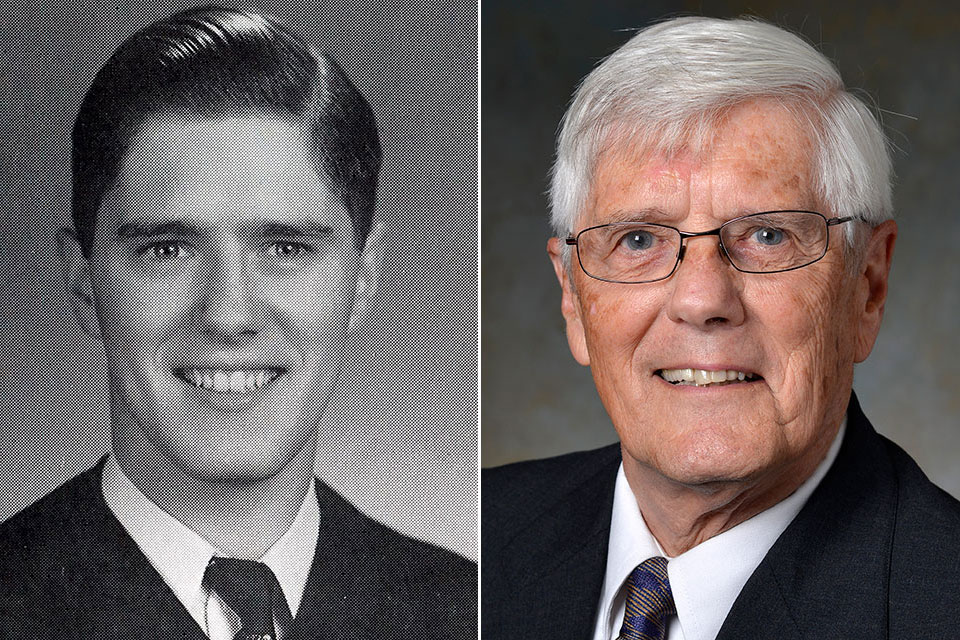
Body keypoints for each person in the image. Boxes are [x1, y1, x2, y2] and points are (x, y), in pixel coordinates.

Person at [0, 7, 476, 639]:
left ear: (363, 274)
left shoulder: (461, 610)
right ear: (81, 277)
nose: (229, 313)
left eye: (284, 250)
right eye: (167, 250)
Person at [482, 16, 960, 640]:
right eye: (638, 240)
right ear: (573, 294)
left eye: (767, 235)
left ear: (866, 287)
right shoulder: (477, 542)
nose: (702, 299)